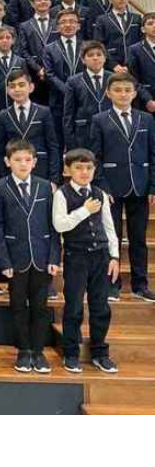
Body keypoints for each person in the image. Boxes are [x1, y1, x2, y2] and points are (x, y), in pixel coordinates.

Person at [0, 140, 59, 374]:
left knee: (40, 307)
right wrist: (4, 260)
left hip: (42, 257)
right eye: (17, 160)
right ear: (7, 162)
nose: (23, 164)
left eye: (27, 159)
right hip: (16, 258)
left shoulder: (46, 187)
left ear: (35, 162)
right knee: (18, 306)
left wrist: (54, 257)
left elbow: (54, 226)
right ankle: (23, 350)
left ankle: (38, 351)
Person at [53, 148, 120, 373]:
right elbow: (60, 225)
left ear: (95, 169)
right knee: (73, 306)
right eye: (79, 167)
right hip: (76, 257)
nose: (84, 172)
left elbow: (109, 227)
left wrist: (114, 256)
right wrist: (84, 210)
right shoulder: (62, 194)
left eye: (89, 167)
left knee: (100, 306)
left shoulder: (100, 194)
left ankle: (100, 352)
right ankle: (71, 353)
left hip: (100, 257)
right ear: (68, 170)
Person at [89, 73, 155, 302]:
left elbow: (153, 154)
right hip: (111, 188)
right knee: (111, 237)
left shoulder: (146, 119)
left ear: (135, 93)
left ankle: (140, 285)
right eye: (118, 90)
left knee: (138, 239)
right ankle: (111, 285)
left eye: (128, 90)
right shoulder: (99, 120)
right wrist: (102, 186)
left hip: (140, 186)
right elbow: (95, 157)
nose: (123, 94)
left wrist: (152, 187)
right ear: (108, 93)